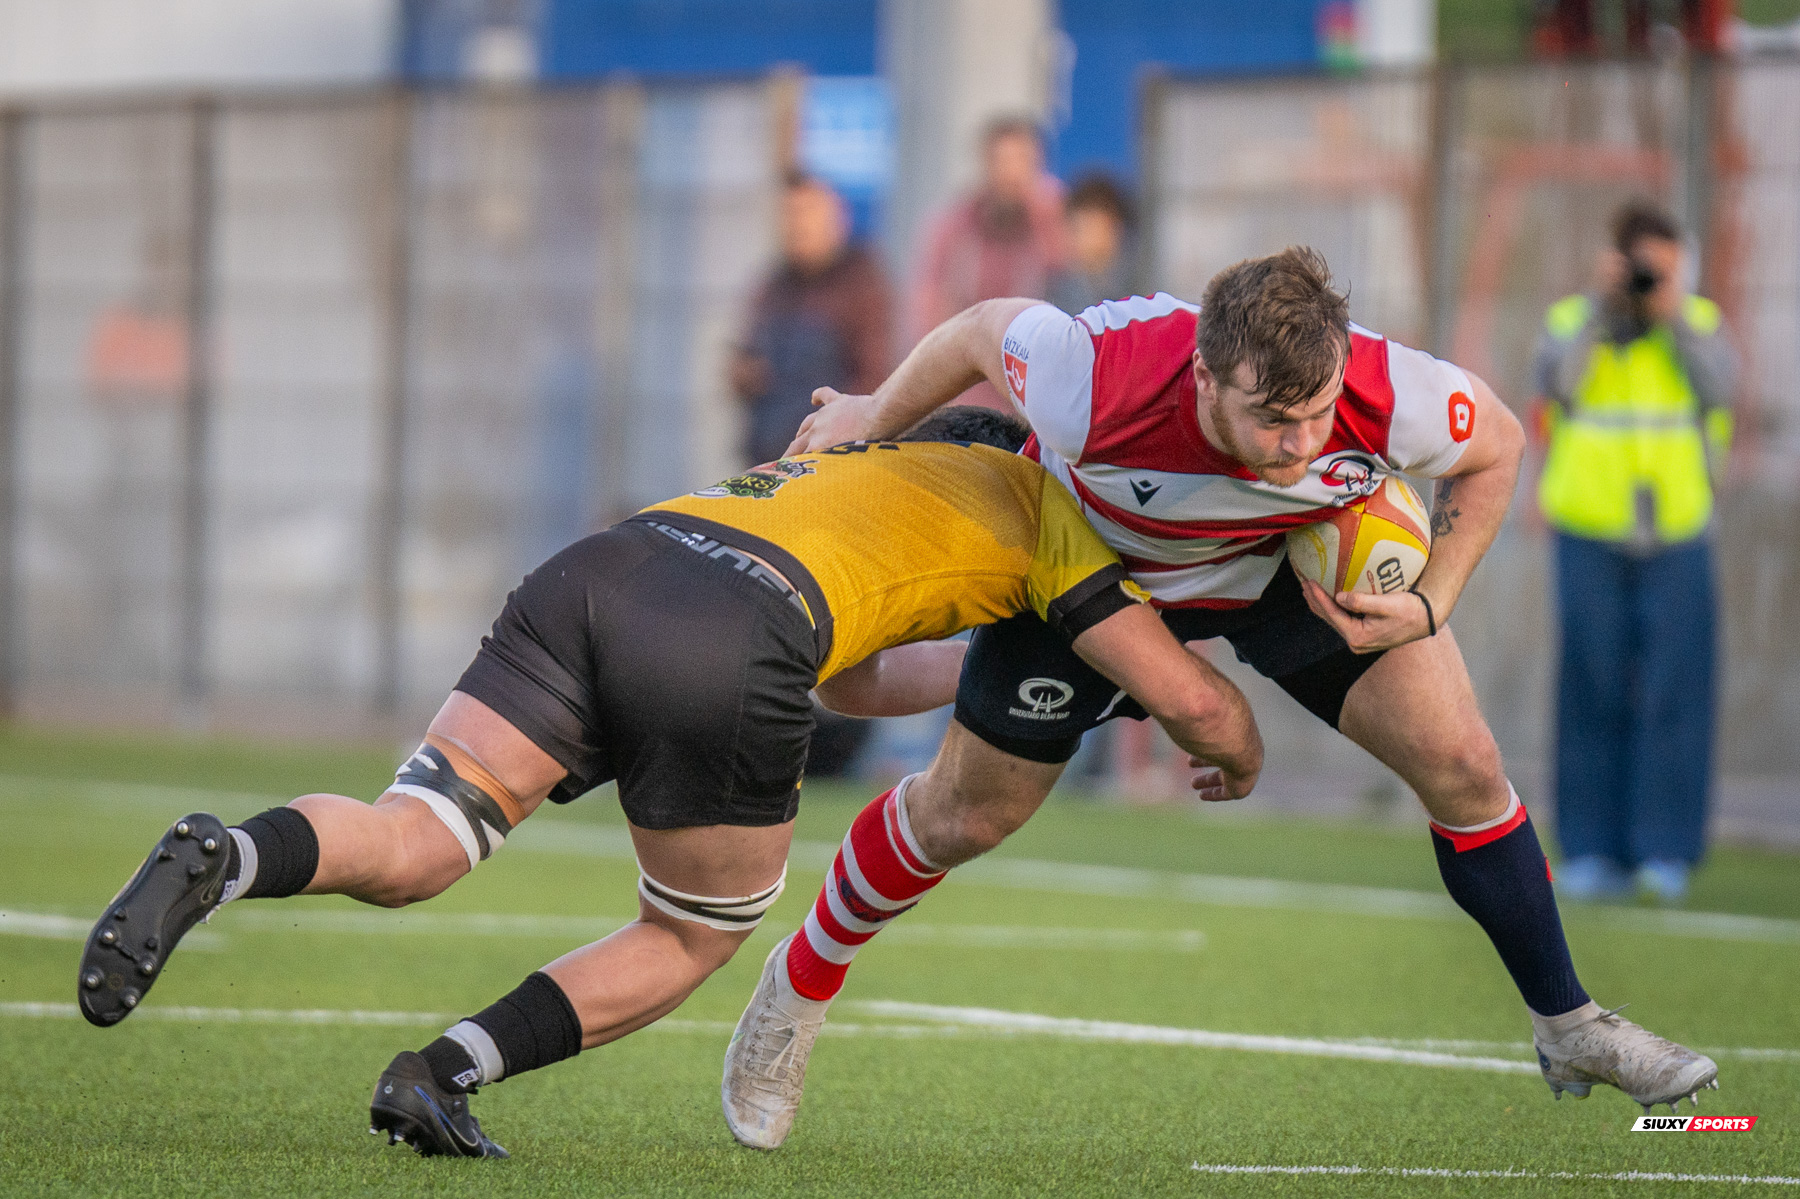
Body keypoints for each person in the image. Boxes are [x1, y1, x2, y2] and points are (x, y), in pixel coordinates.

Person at [721, 246, 1719, 1152]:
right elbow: (981, 325)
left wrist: (1432, 600)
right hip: (1090, 568)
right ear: (1203, 376)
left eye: (1317, 414)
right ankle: (797, 984)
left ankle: (1568, 1022)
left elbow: (1496, 443)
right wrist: (870, 415)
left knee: (1463, 763)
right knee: (963, 815)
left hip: (1278, 571)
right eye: (1271, 420)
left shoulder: (1389, 390)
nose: (1299, 444)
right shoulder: (1091, 380)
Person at [77, 413, 1263, 1159]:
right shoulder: (1050, 516)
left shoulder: (855, 453)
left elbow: (854, 677)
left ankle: (228, 854)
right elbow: (1195, 702)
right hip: (734, 630)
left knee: (421, 835)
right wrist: (1231, 743)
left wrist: (971, 672)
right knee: (695, 930)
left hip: (609, 562)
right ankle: (441, 1070)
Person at [1531, 201, 1735, 904]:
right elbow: (1554, 385)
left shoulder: (1699, 323)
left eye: (1662, 269)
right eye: (1640, 267)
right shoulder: (1573, 320)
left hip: (1679, 530)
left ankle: (1665, 848)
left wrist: (1671, 316)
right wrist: (1602, 307)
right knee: (1591, 686)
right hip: (1589, 527)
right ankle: (1592, 848)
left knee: (1677, 690)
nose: (1649, 281)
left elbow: (1722, 388)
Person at [732, 172, 893, 467]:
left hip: (829, 460)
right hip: (768, 458)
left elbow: (875, 379)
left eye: (808, 213)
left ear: (837, 219)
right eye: (790, 215)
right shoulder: (773, 285)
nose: (797, 225)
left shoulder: (861, 285)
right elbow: (744, 364)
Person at [909, 115, 1065, 410]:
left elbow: (1076, 290)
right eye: (1002, 161)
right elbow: (928, 311)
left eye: (1023, 161)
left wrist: (1045, 219)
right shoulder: (952, 228)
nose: (1012, 175)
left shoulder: (1057, 222)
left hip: (1040, 394)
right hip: (968, 393)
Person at [1045, 172, 1135, 316]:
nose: (1076, 240)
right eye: (1073, 228)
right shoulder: (1057, 291)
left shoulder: (1138, 286)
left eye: (1088, 228)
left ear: (1114, 228)